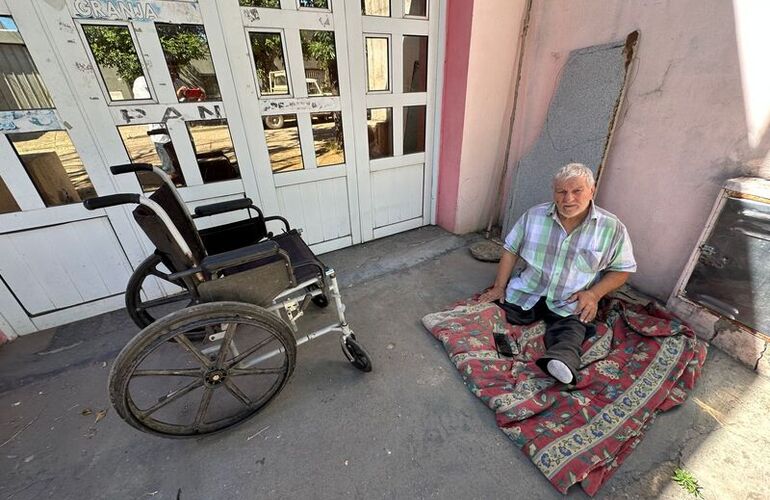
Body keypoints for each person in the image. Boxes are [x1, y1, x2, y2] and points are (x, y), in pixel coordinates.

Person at [479, 163, 636, 385]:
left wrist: (594, 294)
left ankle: (560, 361)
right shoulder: (533, 216)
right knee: (493, 317)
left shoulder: (612, 228)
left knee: (572, 331)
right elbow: (510, 250)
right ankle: (501, 353)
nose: (567, 198)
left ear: (592, 191)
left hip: (570, 298)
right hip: (529, 290)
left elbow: (622, 270)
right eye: (561, 191)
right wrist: (499, 286)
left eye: (577, 191)